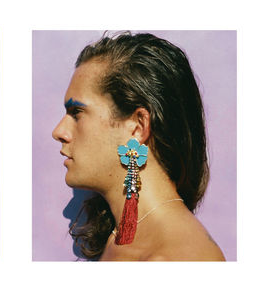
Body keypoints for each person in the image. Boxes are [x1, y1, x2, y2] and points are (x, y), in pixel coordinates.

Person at [52, 32, 225, 261]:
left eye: (77, 113)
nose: (58, 132)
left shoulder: (179, 258)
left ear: (137, 126)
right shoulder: (121, 237)